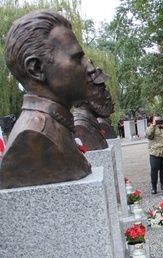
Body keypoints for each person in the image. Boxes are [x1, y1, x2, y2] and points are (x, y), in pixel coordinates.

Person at [0, 10, 92, 188]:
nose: (89, 67)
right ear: (36, 69)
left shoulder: (57, 126)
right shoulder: (33, 136)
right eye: (77, 58)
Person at [73, 68, 114, 150]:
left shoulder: (92, 122)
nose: (108, 96)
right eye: (102, 91)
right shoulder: (80, 126)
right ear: (86, 94)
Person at [145, 114, 163, 194]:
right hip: (154, 152)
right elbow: (148, 135)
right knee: (154, 170)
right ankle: (153, 186)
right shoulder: (150, 128)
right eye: (156, 120)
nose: (158, 122)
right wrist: (153, 126)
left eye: (159, 120)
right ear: (152, 121)